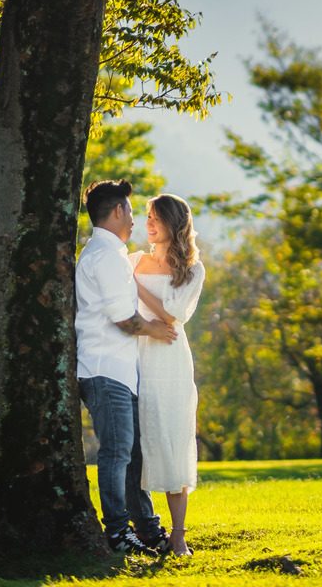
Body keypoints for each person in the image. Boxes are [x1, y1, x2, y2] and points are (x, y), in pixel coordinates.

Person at [75, 180, 178, 555]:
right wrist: (155, 329)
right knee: (117, 453)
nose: (134, 219)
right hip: (103, 371)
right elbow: (123, 318)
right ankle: (118, 533)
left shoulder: (109, 253)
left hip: (119, 372)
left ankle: (147, 529)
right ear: (117, 211)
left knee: (132, 454)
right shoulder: (104, 256)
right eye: (132, 211)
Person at [130, 194, 206, 558]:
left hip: (171, 360)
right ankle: (141, 526)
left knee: (172, 441)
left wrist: (136, 286)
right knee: (136, 446)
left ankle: (178, 535)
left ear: (174, 224)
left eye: (155, 218)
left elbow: (174, 316)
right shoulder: (131, 260)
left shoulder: (193, 269)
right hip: (134, 355)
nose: (148, 224)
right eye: (146, 216)